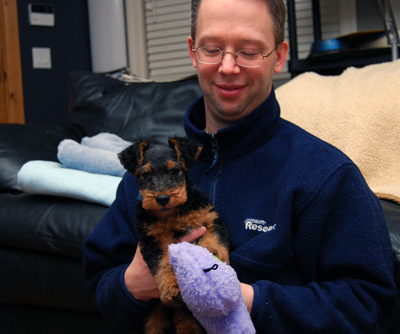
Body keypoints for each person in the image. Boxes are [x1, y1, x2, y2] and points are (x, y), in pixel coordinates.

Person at [83, 0, 398, 332]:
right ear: (193, 52)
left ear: (279, 56)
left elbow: (370, 306)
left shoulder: (326, 176)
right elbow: (101, 280)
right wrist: (131, 285)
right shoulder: (148, 174)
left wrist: (244, 300)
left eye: (249, 51)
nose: (228, 66)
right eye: (213, 48)